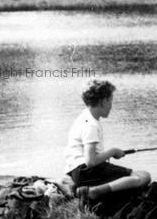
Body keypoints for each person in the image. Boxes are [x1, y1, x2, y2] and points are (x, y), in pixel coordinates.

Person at [64, 79, 151, 208]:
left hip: (75, 171)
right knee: (143, 176)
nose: (111, 105)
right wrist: (113, 151)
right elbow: (90, 161)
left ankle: (80, 187)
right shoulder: (91, 125)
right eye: (110, 101)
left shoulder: (84, 116)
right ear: (103, 101)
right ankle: (95, 191)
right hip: (86, 171)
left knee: (130, 177)